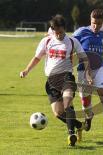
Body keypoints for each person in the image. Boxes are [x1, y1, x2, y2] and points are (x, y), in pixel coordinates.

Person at [20, 15, 92, 146]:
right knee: (58, 113)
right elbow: (37, 58)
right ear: (52, 30)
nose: (58, 35)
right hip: (51, 81)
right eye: (56, 32)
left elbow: (84, 58)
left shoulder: (72, 41)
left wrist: (88, 75)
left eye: (60, 32)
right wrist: (26, 70)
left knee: (68, 102)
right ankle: (79, 125)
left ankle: (71, 134)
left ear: (64, 29)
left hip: (66, 77)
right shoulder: (46, 41)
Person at [73, 9, 103, 139]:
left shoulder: (102, 33)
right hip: (82, 70)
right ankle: (89, 116)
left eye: (99, 24)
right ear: (90, 20)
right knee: (85, 100)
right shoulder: (81, 32)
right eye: (94, 23)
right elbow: (69, 43)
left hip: (99, 68)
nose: (96, 26)